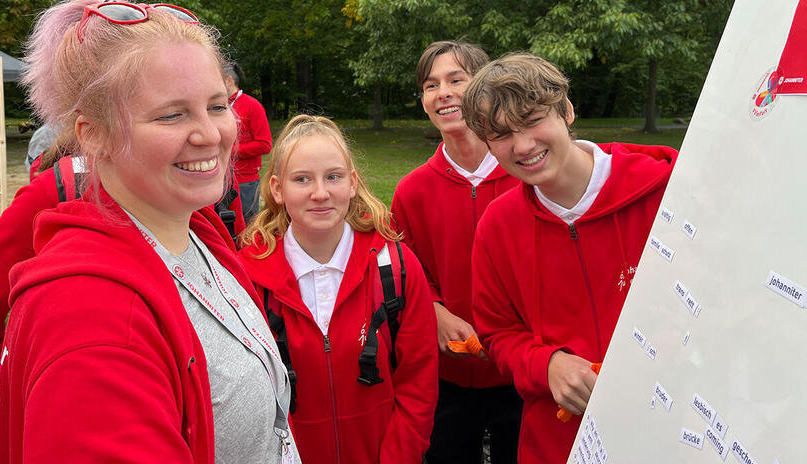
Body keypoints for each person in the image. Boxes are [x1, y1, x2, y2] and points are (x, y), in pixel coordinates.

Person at [0, 0, 300, 463]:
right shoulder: (91, 325)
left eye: (217, 106)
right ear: (95, 135)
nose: (211, 134)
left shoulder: (199, 230)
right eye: (172, 114)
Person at [460, 53, 677, 464]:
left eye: (532, 120)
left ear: (567, 111)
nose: (523, 145)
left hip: (671, 428)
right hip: (559, 441)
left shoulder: (668, 193)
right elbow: (497, 333)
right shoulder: (498, 226)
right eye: (501, 134)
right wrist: (547, 365)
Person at [238, 115, 438, 464]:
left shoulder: (395, 268)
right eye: (302, 179)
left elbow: (418, 379)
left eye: (333, 177)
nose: (320, 193)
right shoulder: (247, 277)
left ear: (352, 183)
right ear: (277, 189)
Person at [390, 41, 522, 464]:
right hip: (445, 375)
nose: (443, 92)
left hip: (523, 373)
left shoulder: (526, 176)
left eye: (455, 80)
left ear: (484, 88)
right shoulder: (412, 191)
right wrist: (434, 312)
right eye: (431, 85)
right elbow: (403, 273)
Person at [224, 62, 272, 223]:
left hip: (245, 181)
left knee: (247, 225)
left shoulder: (252, 105)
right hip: (221, 178)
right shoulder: (218, 106)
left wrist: (230, 151)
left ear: (229, 80)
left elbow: (265, 144)